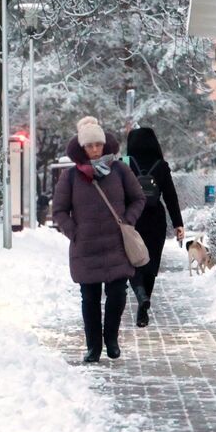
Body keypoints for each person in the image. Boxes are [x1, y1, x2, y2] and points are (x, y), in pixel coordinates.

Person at [52, 116, 146, 363]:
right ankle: (93, 346)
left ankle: (111, 338)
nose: (95, 149)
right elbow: (59, 210)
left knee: (118, 295)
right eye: (89, 145)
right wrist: (74, 232)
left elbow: (138, 198)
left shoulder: (120, 170)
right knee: (90, 299)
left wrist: (128, 221)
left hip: (117, 245)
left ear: (105, 145)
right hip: (86, 247)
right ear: (82, 148)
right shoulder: (71, 177)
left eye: (98, 144)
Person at [125, 127, 184, 328]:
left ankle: (139, 293)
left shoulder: (126, 163)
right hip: (155, 218)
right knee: (151, 264)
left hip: (132, 217)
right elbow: (170, 196)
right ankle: (144, 306)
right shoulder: (161, 166)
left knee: (133, 261)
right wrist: (178, 223)